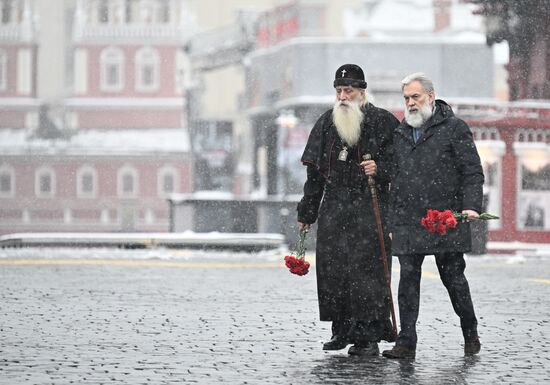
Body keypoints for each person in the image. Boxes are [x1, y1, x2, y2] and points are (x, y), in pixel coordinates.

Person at [297, 64, 399, 356]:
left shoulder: (382, 121)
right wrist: (307, 213)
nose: (343, 96)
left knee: (367, 272)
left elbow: (402, 165)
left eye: (349, 90)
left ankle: (367, 336)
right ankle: (340, 329)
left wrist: (380, 169)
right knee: (334, 270)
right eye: (339, 90)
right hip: (334, 206)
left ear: (362, 91)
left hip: (370, 205)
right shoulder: (326, 123)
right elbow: (314, 176)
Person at [382, 72, 484, 359]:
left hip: (445, 218)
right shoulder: (401, 133)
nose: (411, 103)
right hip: (408, 220)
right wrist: (392, 221)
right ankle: (406, 341)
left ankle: (469, 329)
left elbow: (472, 172)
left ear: (430, 95)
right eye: (406, 98)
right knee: (408, 280)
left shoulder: (454, 128)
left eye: (415, 96)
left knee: (453, 279)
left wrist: (472, 206)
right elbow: (396, 180)